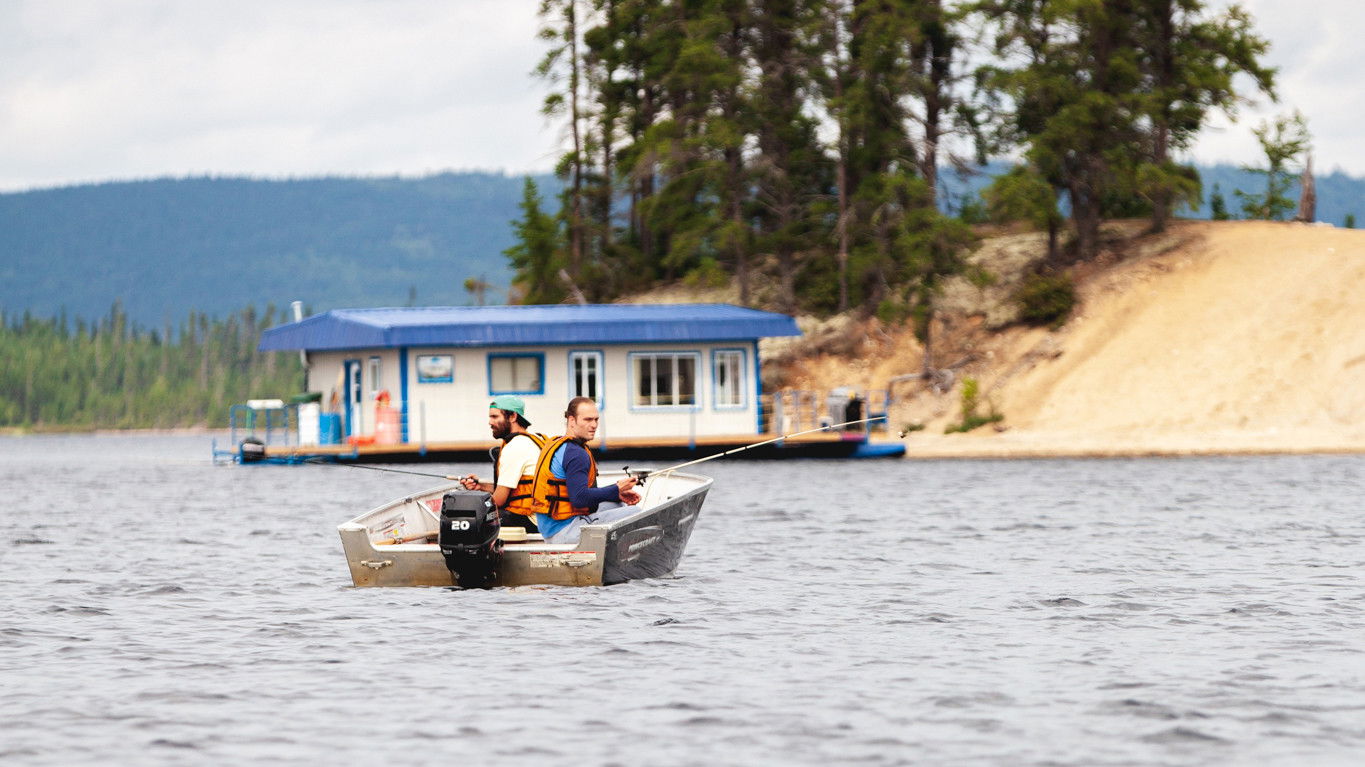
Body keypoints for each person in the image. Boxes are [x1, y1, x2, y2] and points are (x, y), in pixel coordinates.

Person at [528, 396, 642, 544]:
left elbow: (578, 494)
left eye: (596, 420)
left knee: (616, 504)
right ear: (571, 421)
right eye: (587, 420)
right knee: (636, 512)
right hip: (564, 532)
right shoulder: (576, 453)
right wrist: (616, 488)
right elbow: (579, 498)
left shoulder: (560, 445)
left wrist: (616, 493)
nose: (594, 425)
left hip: (551, 531)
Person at [458, 395, 547, 532]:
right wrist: (481, 487)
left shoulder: (515, 446)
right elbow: (516, 490)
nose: (490, 422)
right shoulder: (534, 438)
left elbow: (498, 501)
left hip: (532, 520)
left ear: (512, 417)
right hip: (545, 518)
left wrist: (471, 509)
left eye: (495, 417)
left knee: (467, 521)